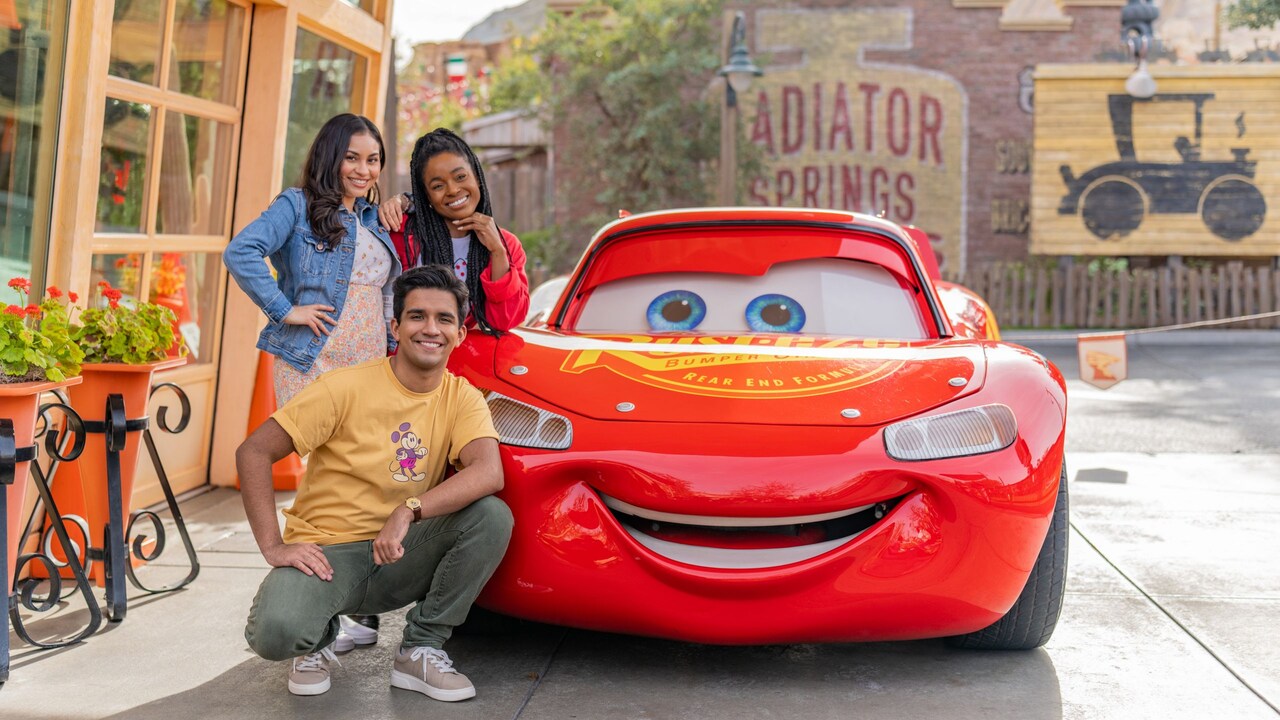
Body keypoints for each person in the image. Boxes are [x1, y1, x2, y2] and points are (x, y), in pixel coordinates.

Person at [237, 265, 513, 701]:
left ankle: (421, 648)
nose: (431, 328)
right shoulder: (344, 387)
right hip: (326, 555)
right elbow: (253, 452)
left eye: (444, 319)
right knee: (275, 633)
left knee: (491, 516)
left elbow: (487, 472)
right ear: (395, 327)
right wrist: (273, 546)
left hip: (401, 552)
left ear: (459, 334)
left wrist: (408, 510)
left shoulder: (462, 397)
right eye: (417, 316)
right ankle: (316, 638)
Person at [224, 113, 401, 408]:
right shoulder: (297, 205)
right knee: (313, 439)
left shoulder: (373, 217)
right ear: (330, 157)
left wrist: (403, 200)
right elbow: (240, 251)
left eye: (372, 160)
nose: (363, 170)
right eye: (351, 158)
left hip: (369, 362)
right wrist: (285, 311)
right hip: (312, 360)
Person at [378, 127, 529, 333]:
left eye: (460, 177)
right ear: (426, 196)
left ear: (477, 176)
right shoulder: (399, 233)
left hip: (463, 352)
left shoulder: (507, 245)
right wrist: (401, 200)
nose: (453, 190)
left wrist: (497, 252)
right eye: (438, 186)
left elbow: (504, 321)